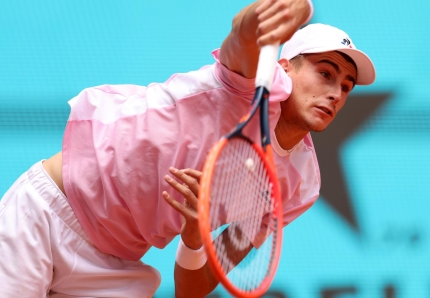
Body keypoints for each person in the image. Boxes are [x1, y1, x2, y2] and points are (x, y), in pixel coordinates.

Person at [0, 0, 375, 297]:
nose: (335, 92)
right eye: (325, 73)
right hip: (45, 215)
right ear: (283, 69)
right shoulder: (247, 86)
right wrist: (281, 10)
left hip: (116, 267)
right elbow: (243, 34)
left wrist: (195, 238)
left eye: (346, 86)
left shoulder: (298, 185)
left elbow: (193, 290)